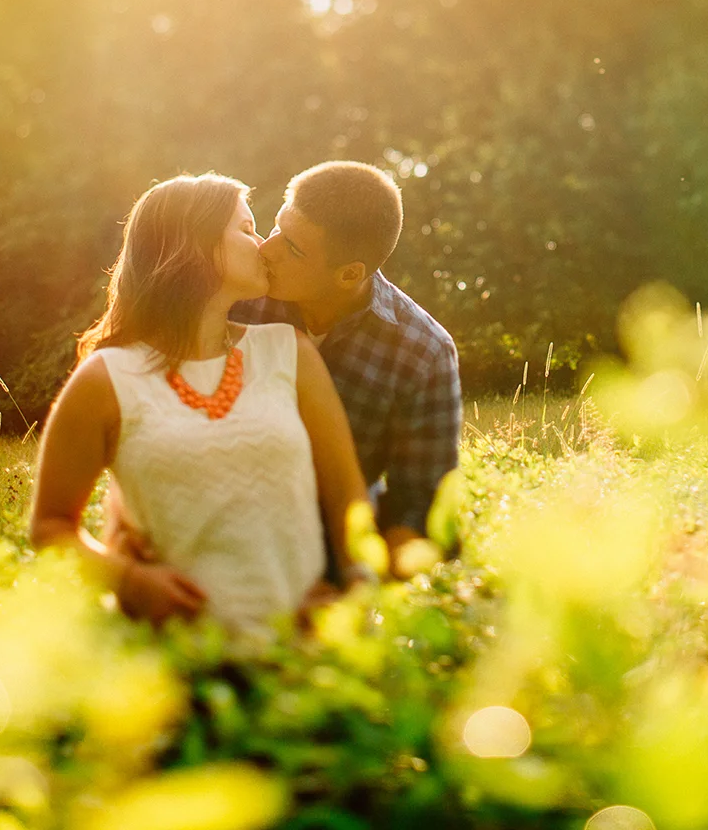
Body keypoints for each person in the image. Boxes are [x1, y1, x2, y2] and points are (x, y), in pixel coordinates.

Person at [29, 174, 369, 631]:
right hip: (177, 663)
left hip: (303, 658)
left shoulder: (291, 352)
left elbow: (349, 500)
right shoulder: (106, 379)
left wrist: (356, 601)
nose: (263, 244)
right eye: (246, 229)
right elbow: (50, 528)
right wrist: (129, 580)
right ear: (197, 245)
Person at [110, 161, 462, 577]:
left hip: (330, 549)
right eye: (276, 227)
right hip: (205, 533)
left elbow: (420, 501)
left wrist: (370, 589)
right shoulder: (235, 297)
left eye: (293, 247)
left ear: (349, 274)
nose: (267, 248)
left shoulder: (422, 351)